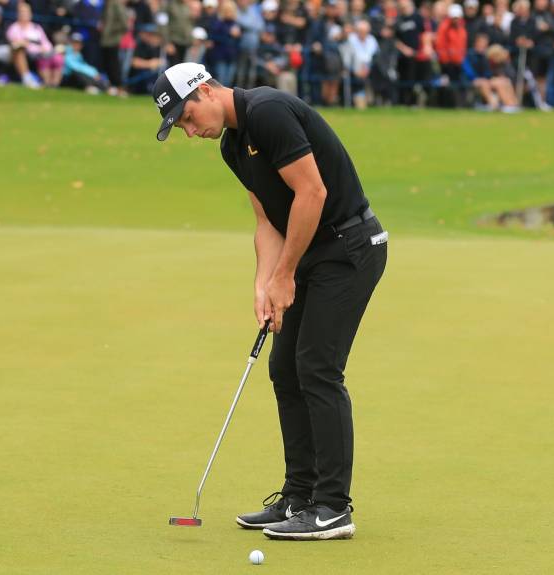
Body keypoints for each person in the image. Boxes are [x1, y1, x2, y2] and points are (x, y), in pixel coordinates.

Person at [151, 62, 387, 541]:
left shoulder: (269, 111)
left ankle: (333, 508)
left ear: (206, 90)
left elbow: (312, 192)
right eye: (180, 126)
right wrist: (264, 284)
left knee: (317, 368)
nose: (190, 131)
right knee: (285, 368)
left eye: (188, 118)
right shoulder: (232, 146)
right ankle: (299, 496)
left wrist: (285, 275)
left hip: (350, 247)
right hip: (313, 254)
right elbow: (268, 221)